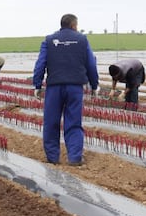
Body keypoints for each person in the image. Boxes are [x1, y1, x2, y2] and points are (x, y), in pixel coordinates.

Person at [32, 14, 99, 166]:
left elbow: (40, 63)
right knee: (74, 122)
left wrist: (37, 84)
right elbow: (91, 64)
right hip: (75, 87)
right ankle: (74, 158)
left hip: (54, 87)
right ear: (74, 25)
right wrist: (94, 84)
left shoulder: (49, 40)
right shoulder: (82, 40)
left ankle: (52, 158)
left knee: (51, 122)